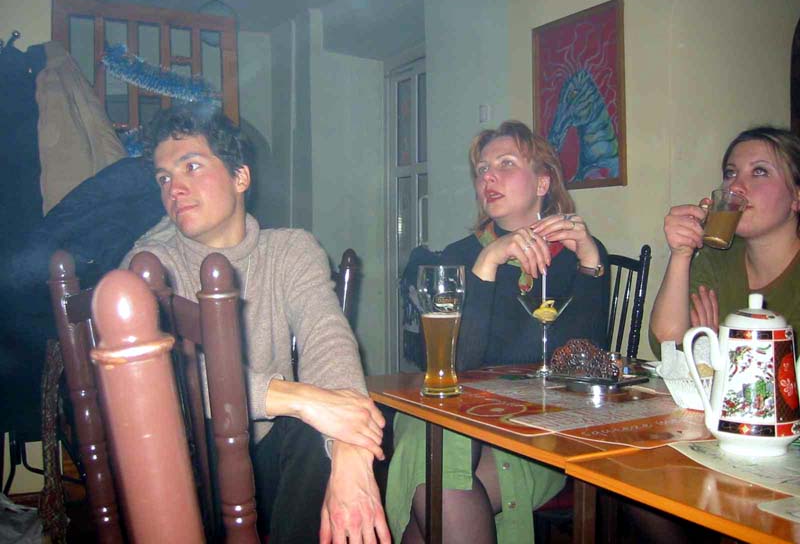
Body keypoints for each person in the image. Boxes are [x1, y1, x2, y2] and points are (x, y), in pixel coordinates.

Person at [122, 103, 390, 544]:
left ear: (240, 177)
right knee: (313, 413)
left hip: (264, 461)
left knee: (333, 430)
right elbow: (164, 383)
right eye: (164, 178)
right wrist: (299, 397)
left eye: (192, 166)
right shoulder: (149, 266)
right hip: (186, 471)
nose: (175, 188)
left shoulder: (290, 250)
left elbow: (327, 338)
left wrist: (349, 449)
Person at [386, 120, 609, 544]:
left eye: (505, 164)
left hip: (534, 433)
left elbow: (584, 362)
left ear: (542, 182)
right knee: (439, 463)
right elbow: (455, 368)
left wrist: (591, 262)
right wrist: (487, 263)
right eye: (482, 169)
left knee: (436, 494)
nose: (488, 177)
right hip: (455, 417)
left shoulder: (574, 256)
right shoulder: (460, 256)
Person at [650, 126, 800, 345]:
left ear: (796, 196)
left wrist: (717, 347)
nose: (735, 186)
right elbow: (667, 344)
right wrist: (681, 253)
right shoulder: (718, 256)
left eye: (759, 171)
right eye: (731, 173)